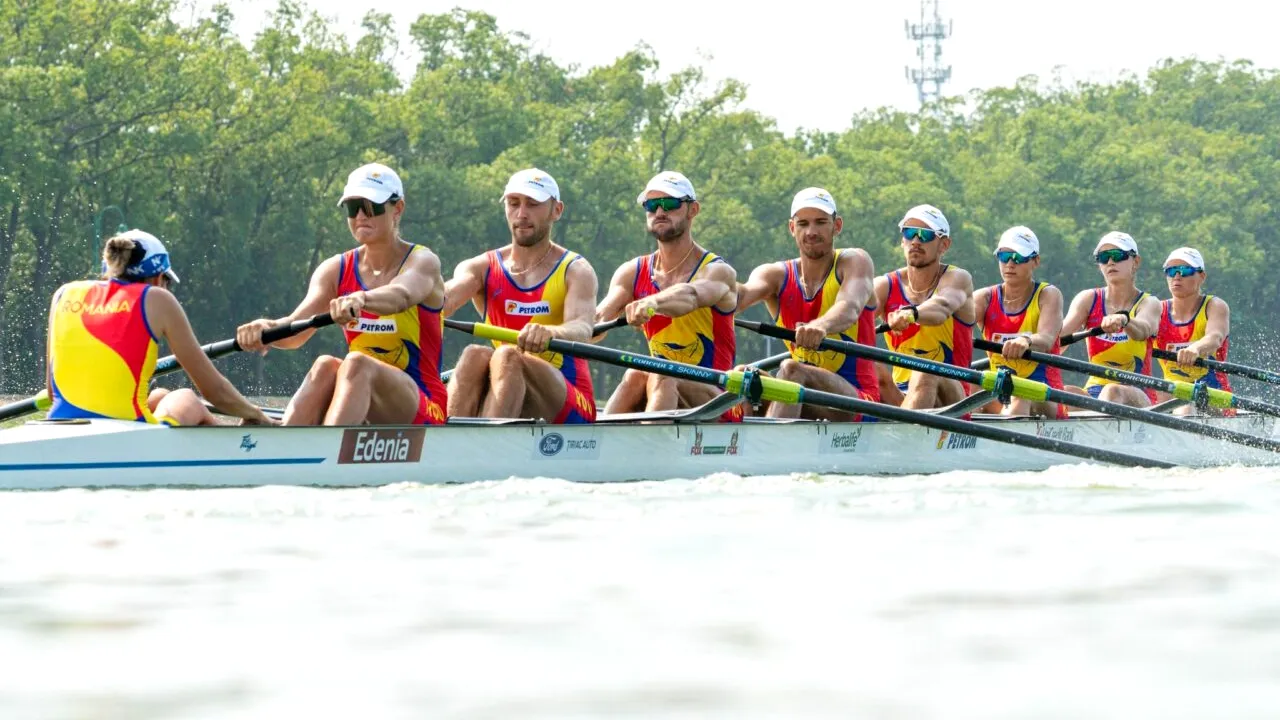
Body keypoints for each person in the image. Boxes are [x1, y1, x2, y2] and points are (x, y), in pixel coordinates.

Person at [235, 162, 448, 425]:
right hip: (363, 396)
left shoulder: (423, 262)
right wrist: (265, 329)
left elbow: (401, 295)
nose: (361, 216)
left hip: (424, 405)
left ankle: (327, 451)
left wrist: (362, 298)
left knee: (357, 362)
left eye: (371, 206)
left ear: (398, 209)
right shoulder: (336, 269)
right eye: (353, 207)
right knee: (326, 364)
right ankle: (286, 445)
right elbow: (295, 332)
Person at [46, 229, 273, 426]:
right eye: (167, 281)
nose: (167, 288)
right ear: (158, 277)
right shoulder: (157, 299)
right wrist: (256, 414)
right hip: (126, 427)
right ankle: (232, 455)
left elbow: (51, 391)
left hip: (59, 421)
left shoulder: (64, 294)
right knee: (186, 398)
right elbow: (215, 390)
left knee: (160, 395)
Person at [443, 168, 599, 423]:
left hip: (570, 403)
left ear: (556, 210)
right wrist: (420, 298)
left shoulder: (576, 270)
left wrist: (551, 333)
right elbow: (447, 299)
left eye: (533, 204)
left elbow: (582, 328)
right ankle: (449, 449)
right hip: (510, 388)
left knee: (506, 354)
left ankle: (488, 446)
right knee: (474, 354)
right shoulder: (480, 267)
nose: (521, 214)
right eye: (513, 204)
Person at [596, 171, 744, 421]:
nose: (660, 212)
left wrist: (652, 301)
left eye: (670, 204)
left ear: (693, 209)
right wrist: (558, 332)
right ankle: (596, 445)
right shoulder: (632, 272)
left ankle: (650, 448)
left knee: (663, 370)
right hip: (661, 385)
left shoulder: (717, 271)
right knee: (636, 373)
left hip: (719, 402)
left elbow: (690, 296)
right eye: (652, 205)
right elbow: (598, 319)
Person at [735, 187, 878, 420]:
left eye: (821, 222)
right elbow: (739, 297)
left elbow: (849, 307)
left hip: (858, 401)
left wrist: (821, 326)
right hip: (804, 395)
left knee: (791, 368)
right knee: (744, 375)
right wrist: (705, 291)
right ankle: (743, 449)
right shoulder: (775, 275)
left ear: (837, 225)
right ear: (792, 228)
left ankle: (768, 448)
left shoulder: (854, 261)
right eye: (803, 224)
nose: (811, 232)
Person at [874, 204, 976, 409]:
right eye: (910, 233)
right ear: (902, 241)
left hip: (952, 397)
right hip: (900, 394)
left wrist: (911, 313)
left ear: (944, 245)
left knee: (925, 370)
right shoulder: (884, 285)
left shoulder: (957, 278)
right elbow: (854, 316)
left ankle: (901, 436)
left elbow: (942, 307)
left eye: (925, 235)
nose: (916, 241)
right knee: (868, 366)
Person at [972, 226, 1067, 418]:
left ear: (1035, 261)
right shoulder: (984, 298)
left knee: (1020, 396)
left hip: (1044, 393)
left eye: (1019, 257)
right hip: (999, 389)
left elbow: (1047, 339)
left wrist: (1026, 340)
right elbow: (956, 324)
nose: (1010, 264)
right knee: (966, 389)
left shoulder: (1048, 295)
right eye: (1004, 256)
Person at [1061, 231, 1160, 408]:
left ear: (1135, 262)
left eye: (1117, 256)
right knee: (1060, 393)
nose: (1110, 262)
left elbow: (1144, 330)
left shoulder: (1149, 303)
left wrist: (1125, 319)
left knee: (1112, 391)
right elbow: (1057, 340)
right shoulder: (1088, 299)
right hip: (1094, 390)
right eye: (1104, 257)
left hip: (1139, 393)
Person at [1154, 246, 1232, 415]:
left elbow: (1215, 337)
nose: (1177, 276)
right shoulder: (1157, 310)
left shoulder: (1214, 306)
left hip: (1214, 395)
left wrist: (1195, 348)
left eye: (1185, 270)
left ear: (1202, 276)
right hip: (1172, 392)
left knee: (1186, 407)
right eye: (1171, 270)